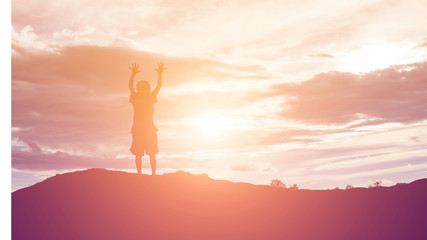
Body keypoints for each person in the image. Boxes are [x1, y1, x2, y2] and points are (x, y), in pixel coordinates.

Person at [128, 62, 166, 175]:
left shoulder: (151, 97)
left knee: (152, 152)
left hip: (150, 128)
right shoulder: (135, 98)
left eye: (145, 86)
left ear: (148, 88)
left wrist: (160, 74)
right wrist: (133, 74)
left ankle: (153, 173)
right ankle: (139, 173)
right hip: (138, 128)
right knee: (138, 153)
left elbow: (159, 86)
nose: (144, 88)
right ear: (138, 88)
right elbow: (130, 87)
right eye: (141, 86)